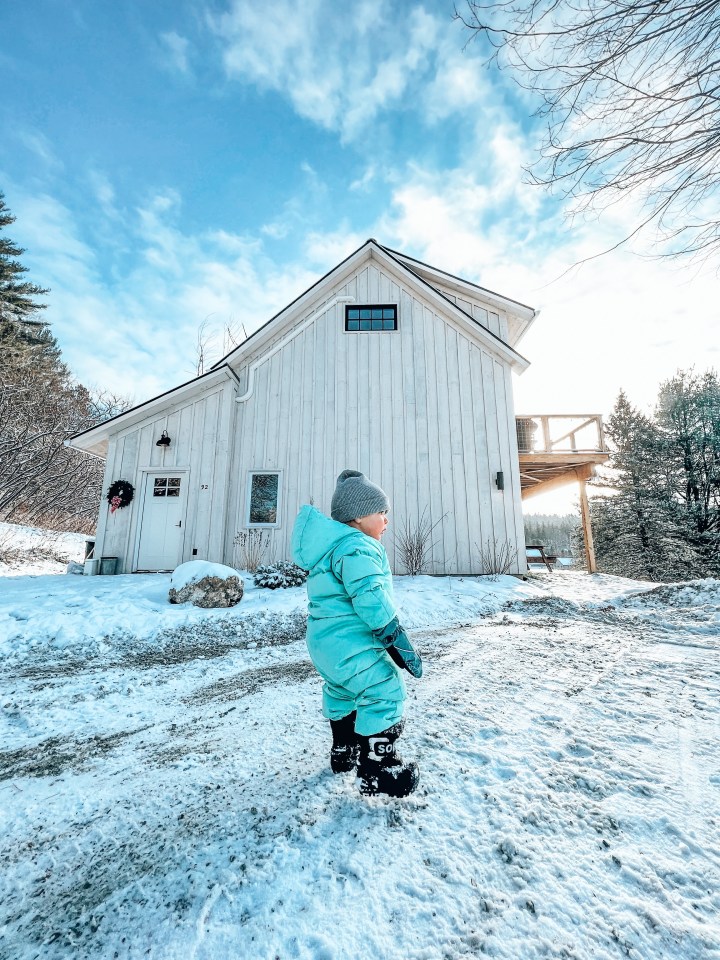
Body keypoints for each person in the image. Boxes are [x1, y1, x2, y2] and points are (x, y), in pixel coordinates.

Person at [291, 469, 422, 798]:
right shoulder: (358, 547)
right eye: (383, 513)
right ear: (360, 516)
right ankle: (379, 768)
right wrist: (392, 634)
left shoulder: (330, 550)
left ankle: (344, 750)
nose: (386, 521)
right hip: (352, 642)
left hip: (324, 645)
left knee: (341, 690)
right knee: (384, 689)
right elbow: (369, 595)